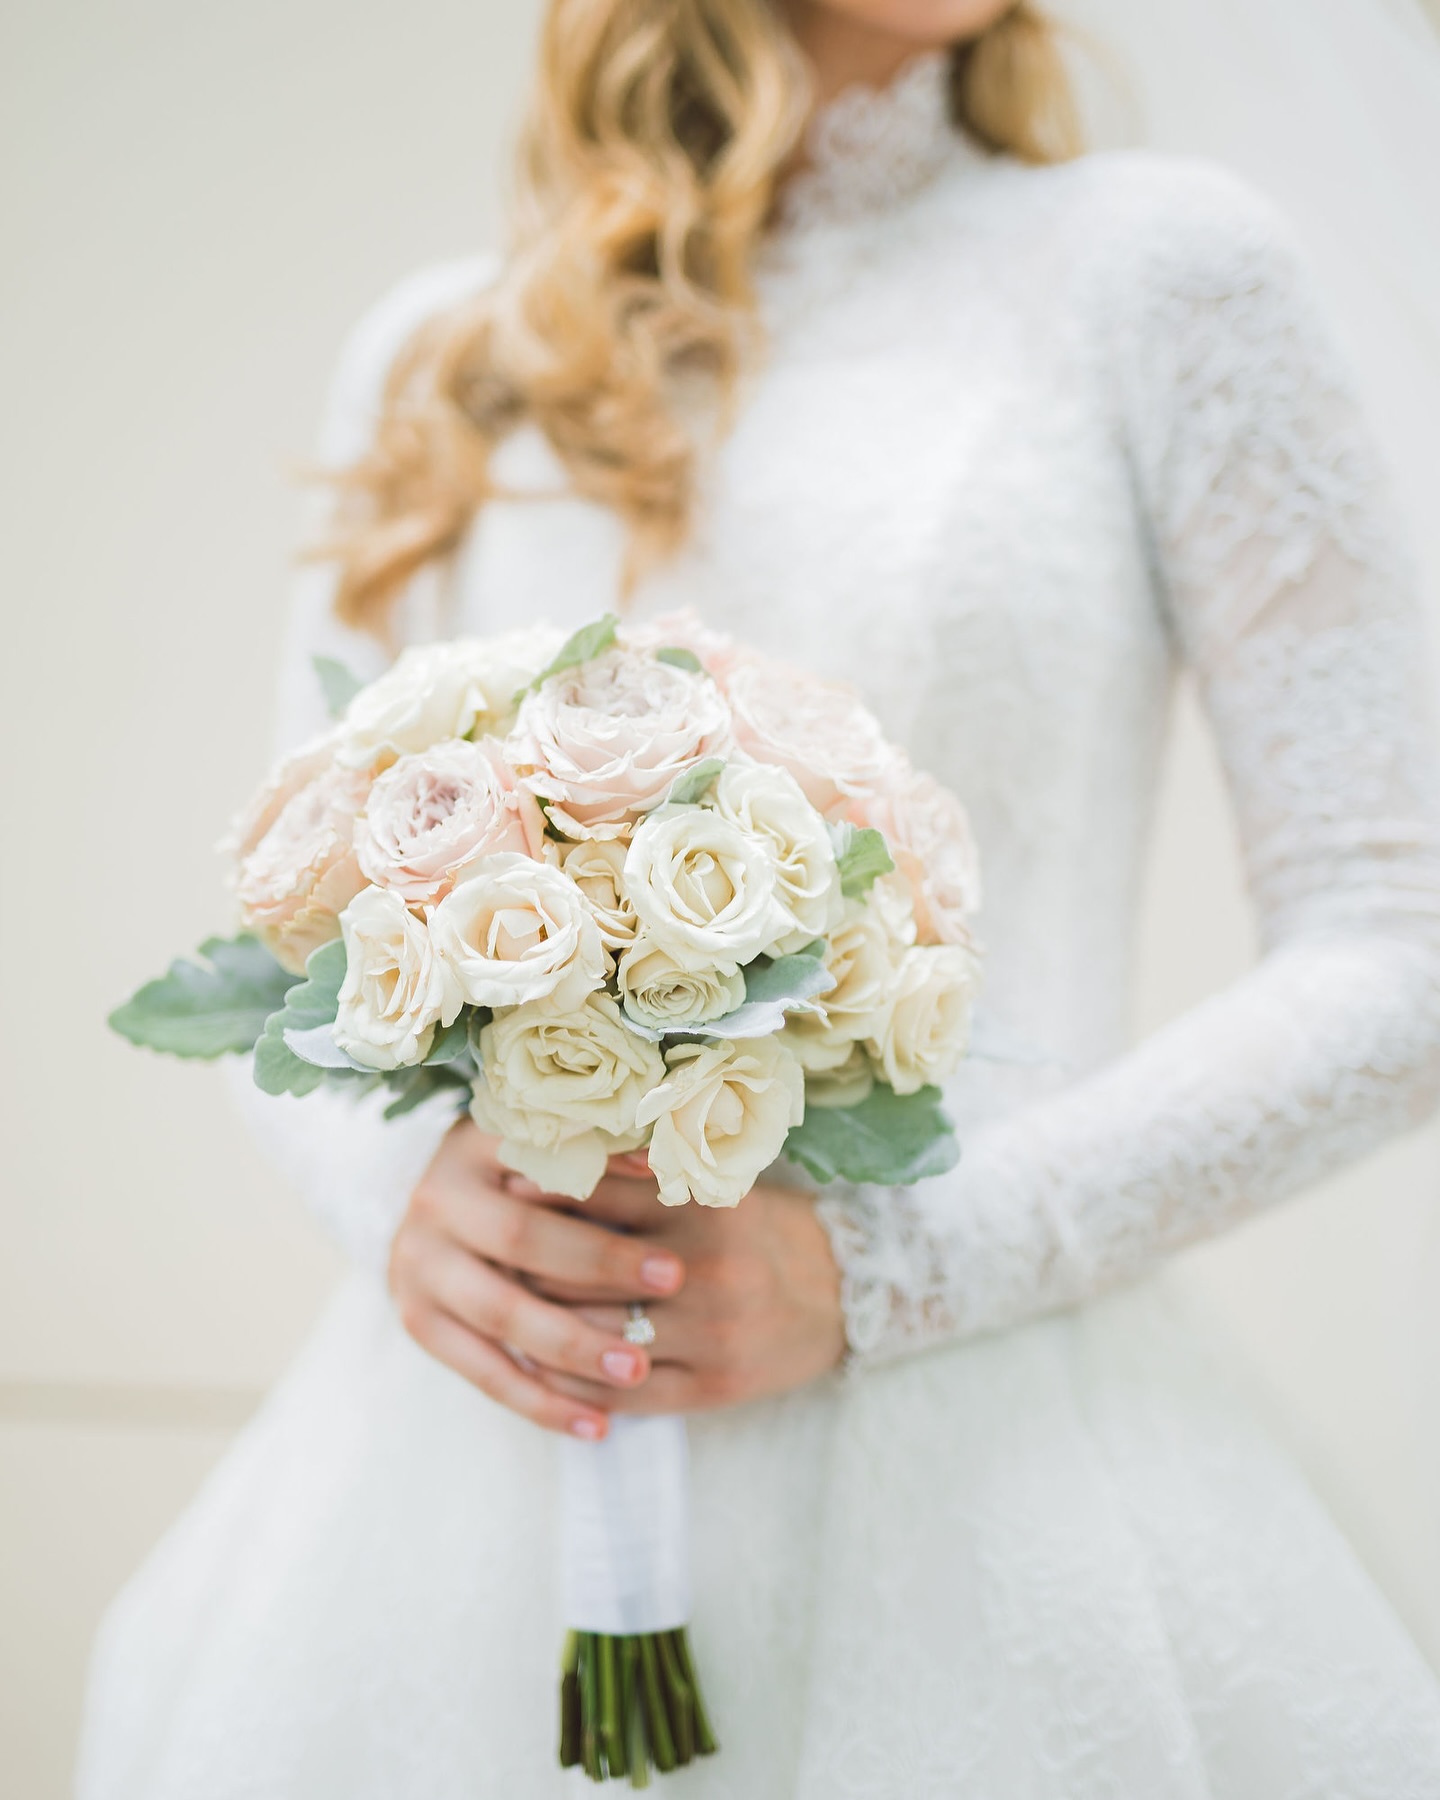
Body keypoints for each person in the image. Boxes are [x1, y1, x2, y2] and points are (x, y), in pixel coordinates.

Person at [78, 2, 1440, 1794]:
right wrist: (404, 1211)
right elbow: (287, 936)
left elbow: (1395, 936)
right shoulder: (445, 353)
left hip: (996, 1471)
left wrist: (885, 1266)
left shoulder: (1162, 276)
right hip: (465, 1480)